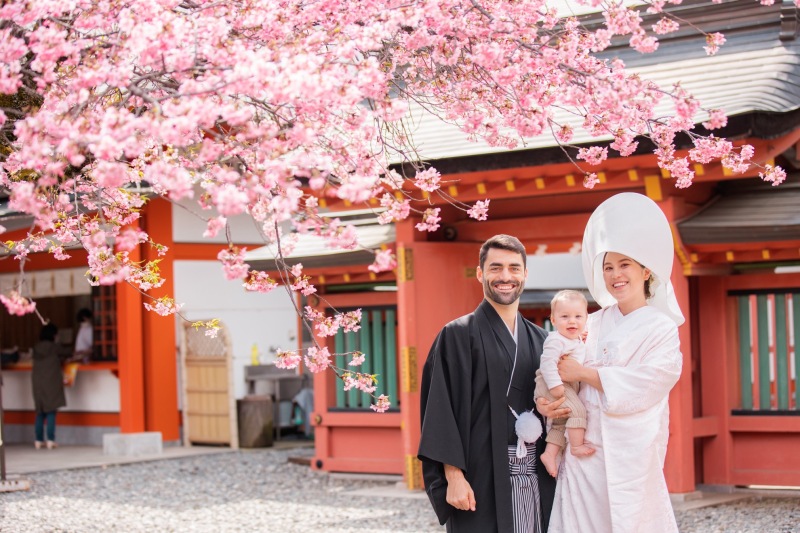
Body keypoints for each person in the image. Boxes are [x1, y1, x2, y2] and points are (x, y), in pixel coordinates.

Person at [545, 192, 685, 533]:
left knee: (632, 519)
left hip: (631, 448)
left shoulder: (661, 326)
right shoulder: (591, 321)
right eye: (608, 267)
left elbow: (652, 381)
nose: (615, 275)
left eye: (624, 265)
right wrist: (553, 396)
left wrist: (587, 373)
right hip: (585, 444)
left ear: (645, 270)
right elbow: (562, 366)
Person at [418, 234, 559, 533]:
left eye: (513, 268)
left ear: (525, 274)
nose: (505, 276)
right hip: (481, 474)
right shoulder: (456, 335)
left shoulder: (544, 340)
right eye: (495, 268)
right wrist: (453, 477)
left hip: (538, 473)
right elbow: (440, 412)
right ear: (480, 273)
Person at [533, 290, 592, 478]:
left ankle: (549, 454)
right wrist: (555, 386)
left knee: (560, 422)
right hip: (553, 383)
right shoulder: (556, 340)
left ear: (586, 318)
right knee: (578, 410)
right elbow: (547, 363)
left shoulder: (576, 339)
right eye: (565, 316)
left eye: (578, 316)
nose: (572, 321)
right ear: (554, 319)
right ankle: (576, 446)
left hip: (565, 383)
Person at [32, 323, 67, 449]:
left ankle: (38, 440)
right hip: (51, 382)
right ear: (54, 335)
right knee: (51, 411)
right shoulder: (54, 347)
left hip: (38, 383)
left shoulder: (36, 348)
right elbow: (68, 352)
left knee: (40, 412)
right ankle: (51, 440)